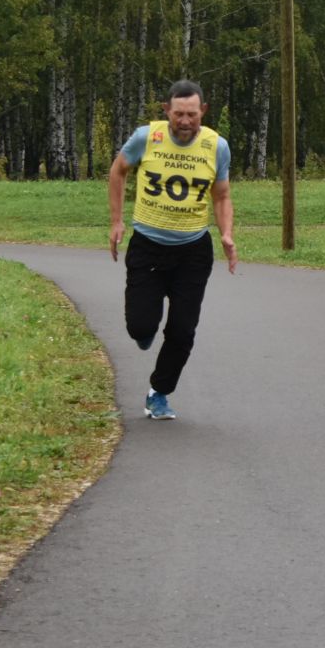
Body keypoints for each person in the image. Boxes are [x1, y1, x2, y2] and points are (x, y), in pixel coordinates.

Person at [108, 80, 236, 420]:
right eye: (178, 114)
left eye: (192, 115)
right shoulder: (146, 138)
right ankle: (145, 330)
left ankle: (159, 392)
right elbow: (118, 171)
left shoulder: (216, 146)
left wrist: (226, 234)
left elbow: (221, 195)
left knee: (182, 331)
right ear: (167, 111)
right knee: (140, 326)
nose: (185, 121)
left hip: (193, 251)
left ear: (202, 113)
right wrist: (117, 221)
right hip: (148, 246)